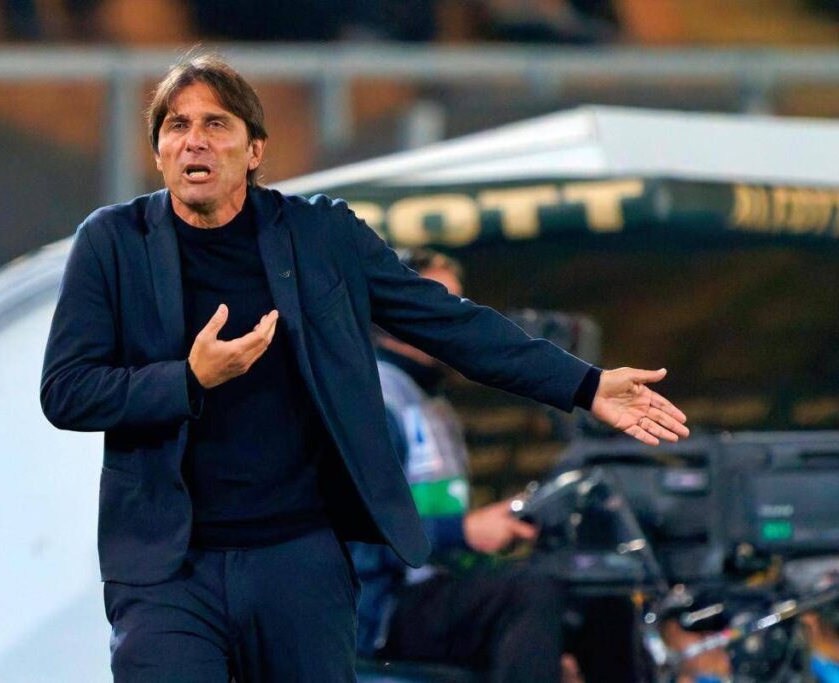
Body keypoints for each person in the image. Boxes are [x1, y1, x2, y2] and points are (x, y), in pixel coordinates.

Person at [39, 50, 690, 682]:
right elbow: (66, 390)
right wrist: (188, 380)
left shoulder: (322, 237)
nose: (195, 141)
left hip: (297, 560)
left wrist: (584, 383)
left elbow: (448, 323)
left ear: (255, 150)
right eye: (177, 126)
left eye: (216, 124)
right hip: (168, 570)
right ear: (158, 152)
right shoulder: (111, 243)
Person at [353, 247, 646, 683]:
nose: (451, 315)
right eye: (436, 301)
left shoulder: (432, 402)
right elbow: (356, 533)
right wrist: (463, 533)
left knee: (595, 585)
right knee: (531, 591)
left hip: (442, 586)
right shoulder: (372, 396)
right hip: (386, 607)